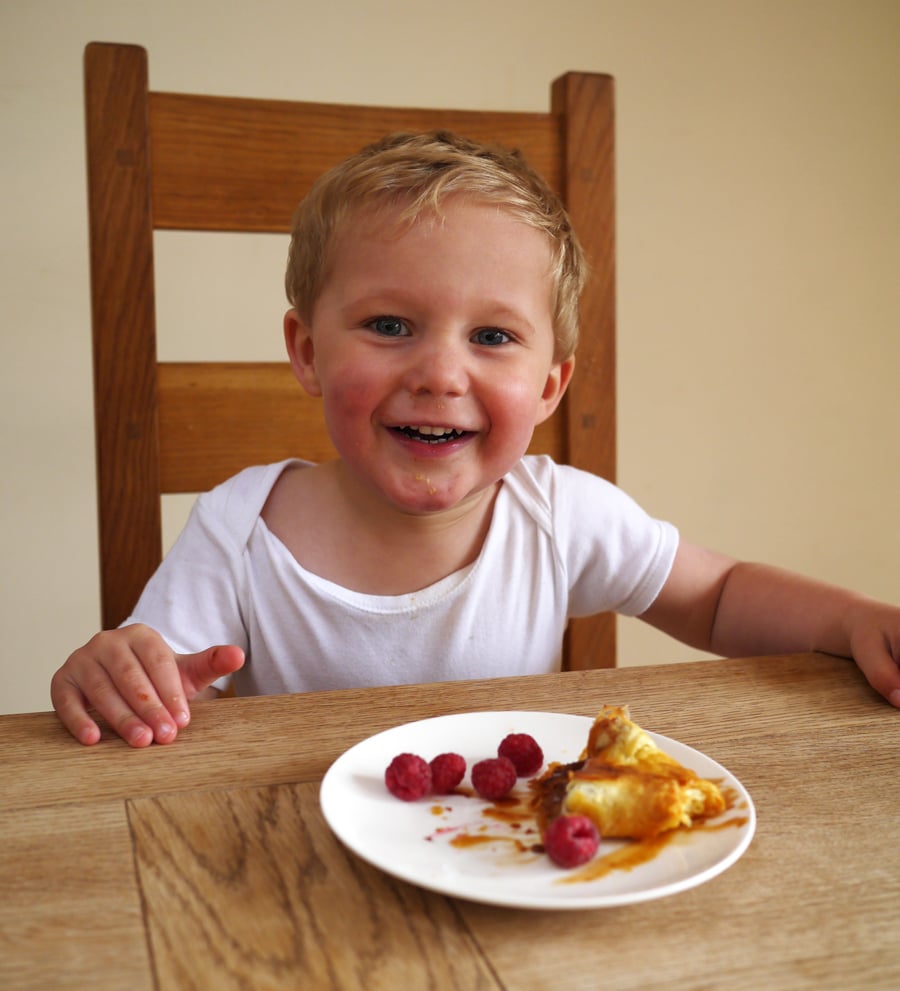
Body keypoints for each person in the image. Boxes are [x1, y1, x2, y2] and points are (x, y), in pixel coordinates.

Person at [51, 131, 900, 747]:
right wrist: (113, 674)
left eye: (492, 337)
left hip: (514, 864)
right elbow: (151, 673)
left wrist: (854, 619)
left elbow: (716, 596)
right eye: (390, 324)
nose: (441, 373)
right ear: (308, 352)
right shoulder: (238, 530)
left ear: (548, 387)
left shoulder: (559, 514)